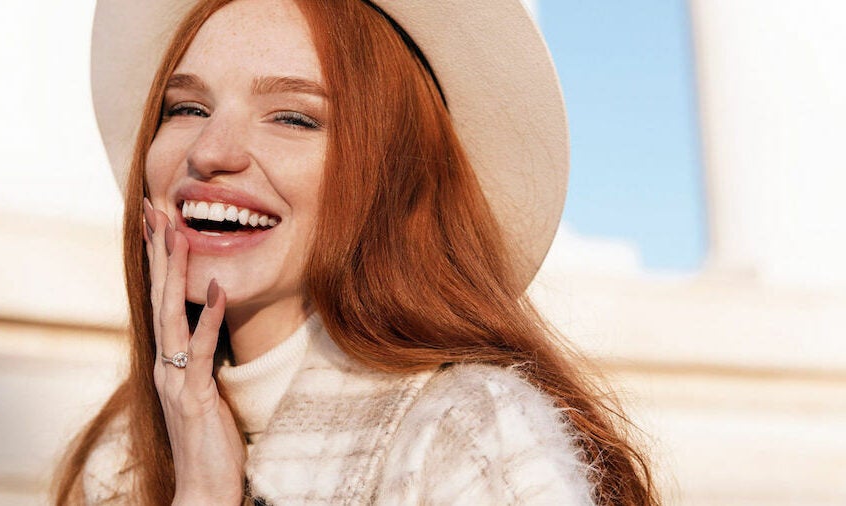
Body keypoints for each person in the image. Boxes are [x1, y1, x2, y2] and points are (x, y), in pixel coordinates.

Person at [56, 0, 658, 504]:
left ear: (389, 176)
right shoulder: (119, 465)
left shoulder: (469, 436)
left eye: (292, 118)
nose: (211, 150)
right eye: (187, 107)